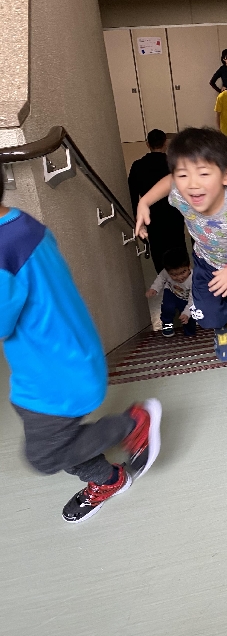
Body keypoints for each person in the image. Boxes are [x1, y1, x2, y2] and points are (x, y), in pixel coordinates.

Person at [0, 167, 162, 523]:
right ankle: (107, 478)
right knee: (57, 440)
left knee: (44, 456)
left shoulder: (2, 252)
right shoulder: (22, 224)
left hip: (55, 373)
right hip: (59, 360)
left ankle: (132, 425)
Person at [135, 127, 227, 362]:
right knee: (206, 316)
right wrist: (145, 202)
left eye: (203, 174)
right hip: (206, 264)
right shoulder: (182, 195)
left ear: (226, 175)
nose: (192, 185)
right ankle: (223, 327)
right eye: (184, 175)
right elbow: (170, 181)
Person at [128, 128, 186, 273]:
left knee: (158, 247)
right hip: (174, 212)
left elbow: (132, 194)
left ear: (148, 144)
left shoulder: (137, 166)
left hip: (152, 214)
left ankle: (163, 277)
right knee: (177, 243)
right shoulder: (173, 164)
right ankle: (182, 275)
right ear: (165, 143)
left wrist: (137, 216)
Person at [146, 247, 196, 338]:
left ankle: (189, 332)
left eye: (183, 272)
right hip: (171, 293)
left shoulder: (194, 280)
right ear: (167, 271)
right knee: (167, 308)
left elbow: (193, 300)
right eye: (173, 274)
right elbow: (161, 278)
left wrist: (186, 313)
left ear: (189, 266)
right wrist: (154, 289)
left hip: (187, 298)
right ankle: (167, 325)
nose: (179, 277)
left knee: (188, 318)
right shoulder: (165, 272)